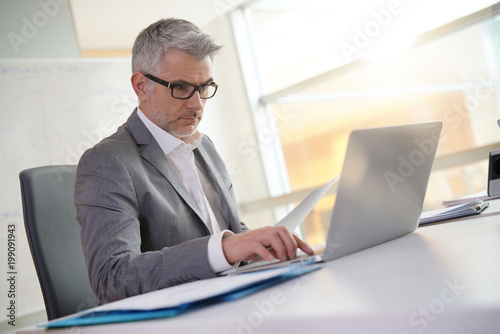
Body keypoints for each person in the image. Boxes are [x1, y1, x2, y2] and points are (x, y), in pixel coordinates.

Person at [74, 18, 313, 304]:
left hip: (235, 303)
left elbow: (229, 232)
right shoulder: (108, 162)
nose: (197, 104)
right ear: (141, 86)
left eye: (205, 87)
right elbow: (113, 278)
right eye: (181, 88)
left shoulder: (203, 145)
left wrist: (266, 247)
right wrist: (225, 249)